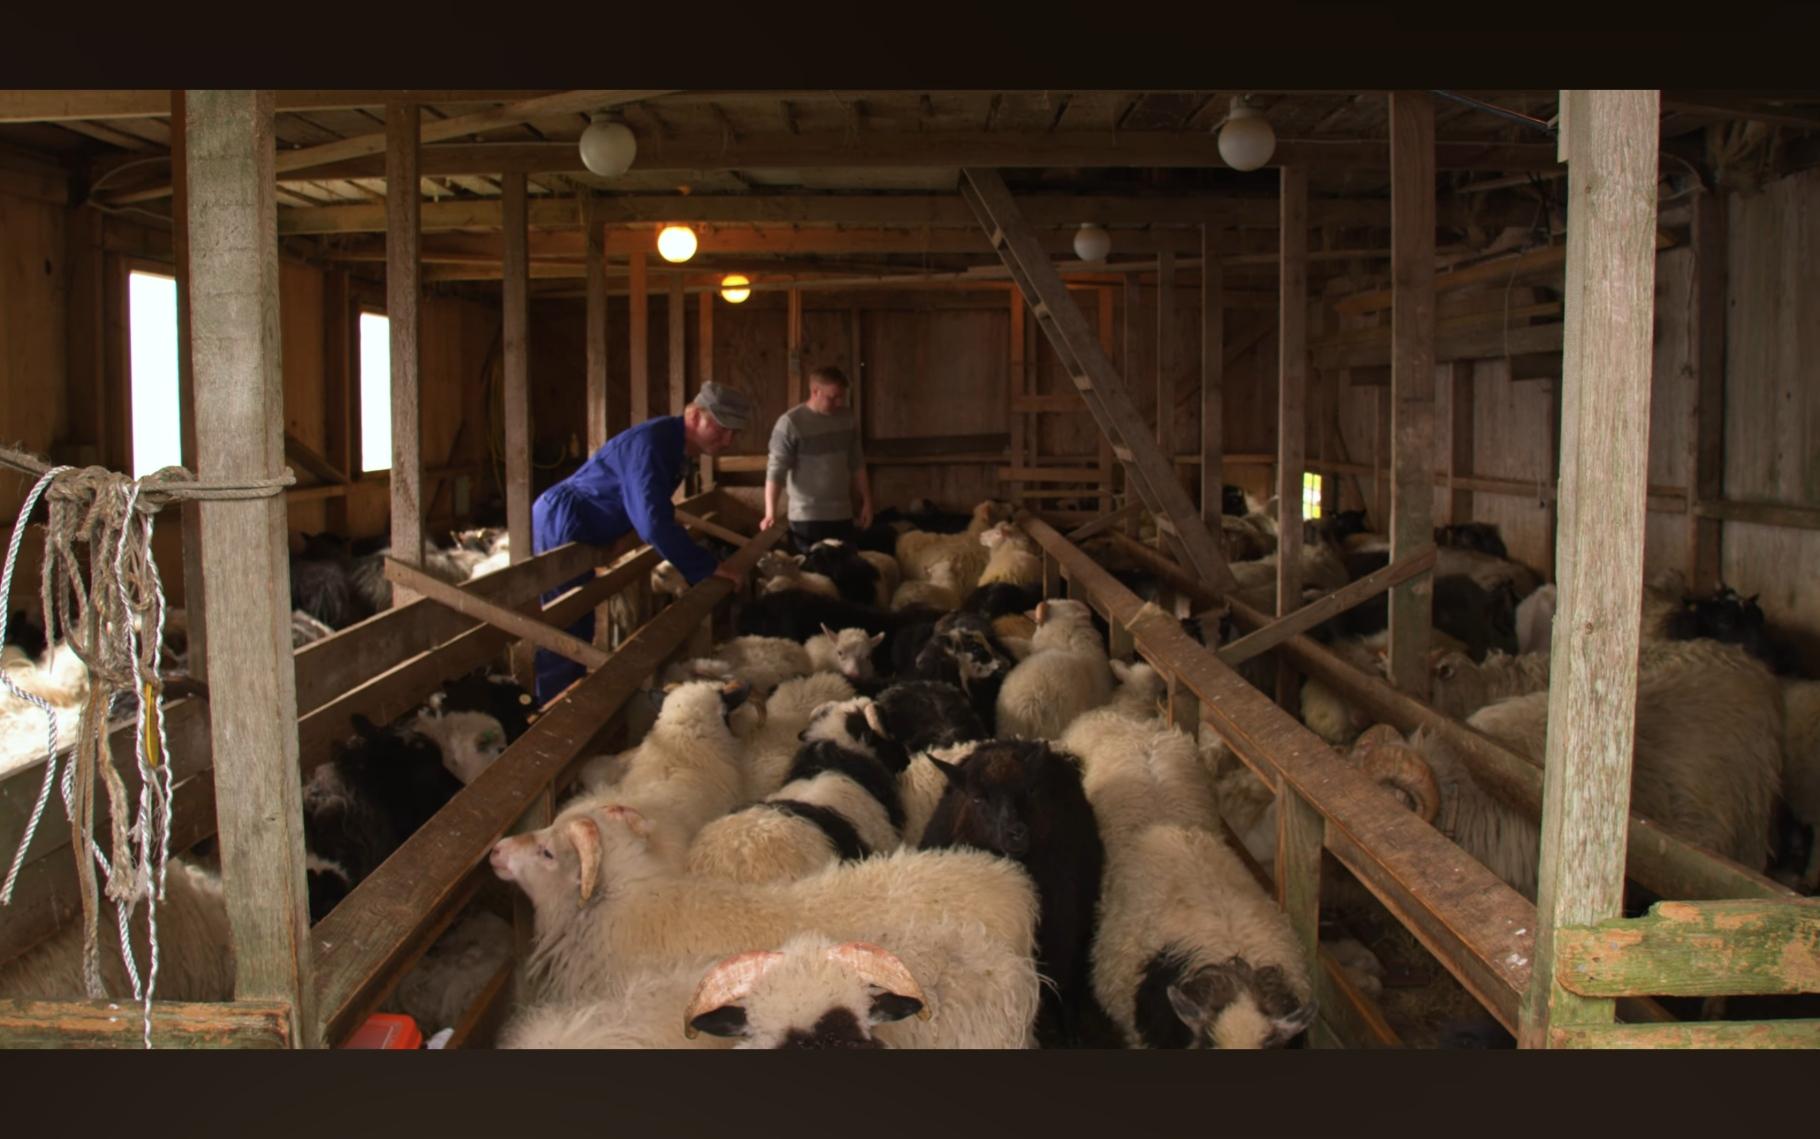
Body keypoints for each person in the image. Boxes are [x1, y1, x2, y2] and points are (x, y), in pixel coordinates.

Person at [529, 381, 755, 703]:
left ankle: (569, 701)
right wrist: (707, 568)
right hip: (565, 517)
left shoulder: (674, 447)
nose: (728, 439)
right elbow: (653, 522)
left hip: (585, 520)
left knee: (579, 614)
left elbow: (649, 510)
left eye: (734, 432)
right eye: (720, 428)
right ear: (693, 415)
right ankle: (552, 713)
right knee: (565, 619)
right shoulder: (654, 443)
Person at [760, 364, 874, 550]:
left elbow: (857, 463)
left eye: (841, 397)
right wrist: (770, 512)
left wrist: (867, 502)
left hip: (842, 514)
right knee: (809, 574)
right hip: (806, 518)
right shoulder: (790, 423)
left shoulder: (847, 419)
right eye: (833, 397)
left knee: (844, 572)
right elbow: (776, 470)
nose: (838, 403)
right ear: (815, 391)